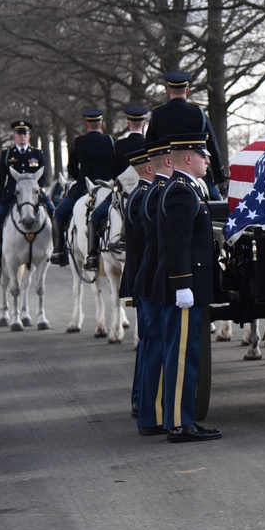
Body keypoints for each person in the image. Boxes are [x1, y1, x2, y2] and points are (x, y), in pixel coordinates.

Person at [153, 134, 221, 442]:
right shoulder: (181, 192)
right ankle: (180, 424)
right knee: (182, 355)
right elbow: (176, 244)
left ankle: (181, 420)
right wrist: (182, 285)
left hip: (189, 287)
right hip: (185, 290)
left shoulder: (187, 189)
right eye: (203, 155)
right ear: (189, 158)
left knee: (185, 353)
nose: (208, 160)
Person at [134, 139, 173, 436]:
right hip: (154, 280)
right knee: (157, 345)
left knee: (151, 345)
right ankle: (153, 415)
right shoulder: (156, 193)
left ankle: (149, 413)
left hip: (146, 278)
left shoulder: (145, 193)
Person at [144, 71, 229, 197]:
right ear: (187, 90)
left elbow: (149, 146)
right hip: (194, 169)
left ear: (168, 91)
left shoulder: (157, 114)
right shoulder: (198, 113)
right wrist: (220, 177)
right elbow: (212, 145)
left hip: (167, 169)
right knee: (218, 208)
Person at [85, 105, 149, 271]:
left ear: (128, 123)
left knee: (95, 217)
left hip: (123, 194)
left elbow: (113, 173)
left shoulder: (119, 145)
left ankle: (92, 256)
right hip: (148, 192)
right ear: (144, 123)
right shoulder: (150, 143)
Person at [0, 120, 51, 270]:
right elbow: (1, 178)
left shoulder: (37, 153)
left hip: (33, 194)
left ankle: (58, 249)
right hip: (11, 194)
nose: (22, 137)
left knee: (54, 212)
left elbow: (44, 175)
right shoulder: (7, 154)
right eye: (19, 134)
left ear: (29, 136)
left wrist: (36, 189)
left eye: (25, 134)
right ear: (14, 136)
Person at [50, 109, 115, 267]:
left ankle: (58, 251)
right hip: (107, 186)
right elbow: (116, 166)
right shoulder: (111, 141)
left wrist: (82, 177)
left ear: (86, 125)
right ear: (102, 124)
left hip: (82, 188)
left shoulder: (77, 142)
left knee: (58, 214)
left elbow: (72, 169)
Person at [120, 148, 154, 419]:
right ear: (150, 168)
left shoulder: (137, 195)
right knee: (149, 343)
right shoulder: (144, 196)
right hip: (146, 283)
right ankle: (142, 400)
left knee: (146, 342)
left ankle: (139, 399)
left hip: (138, 280)